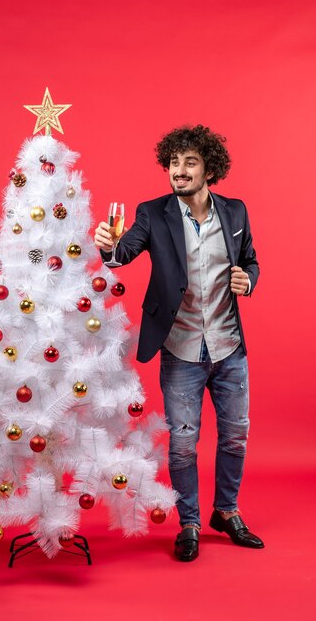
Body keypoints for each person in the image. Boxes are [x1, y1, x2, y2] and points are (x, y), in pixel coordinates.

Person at [94, 125, 264, 562]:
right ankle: (188, 522)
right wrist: (109, 248)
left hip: (229, 347)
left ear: (210, 168)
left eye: (190, 162)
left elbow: (249, 262)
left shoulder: (236, 211)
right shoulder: (153, 213)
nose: (180, 171)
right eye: (174, 163)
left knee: (236, 437)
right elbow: (124, 251)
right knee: (184, 442)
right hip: (181, 348)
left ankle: (226, 512)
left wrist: (249, 281)